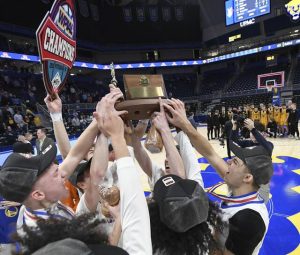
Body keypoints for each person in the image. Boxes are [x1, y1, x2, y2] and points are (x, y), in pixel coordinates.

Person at [163, 98, 273, 255]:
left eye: (235, 162)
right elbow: (210, 154)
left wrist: (197, 226)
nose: (228, 162)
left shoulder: (249, 219)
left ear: (247, 178)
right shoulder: (242, 190)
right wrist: (183, 125)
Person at [230, 118, 274, 203]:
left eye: (256, 133)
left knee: (262, 204)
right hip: (248, 179)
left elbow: (266, 147)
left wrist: (253, 129)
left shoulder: (268, 145)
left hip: (262, 182)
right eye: (251, 133)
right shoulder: (247, 143)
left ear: (264, 134)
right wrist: (234, 127)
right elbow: (233, 142)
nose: (253, 135)